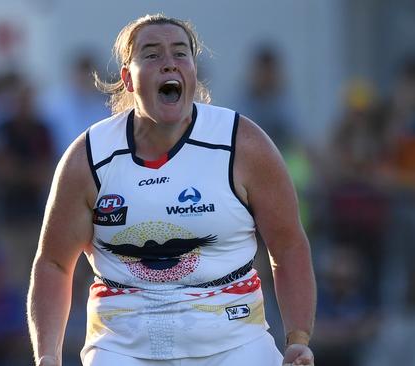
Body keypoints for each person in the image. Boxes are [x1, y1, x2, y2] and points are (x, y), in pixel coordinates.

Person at [27, 14, 316, 366]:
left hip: (236, 346)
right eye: (151, 54)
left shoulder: (243, 144)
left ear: (194, 72)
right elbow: (55, 263)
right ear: (127, 79)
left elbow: (288, 247)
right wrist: (47, 356)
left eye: (180, 53)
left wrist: (298, 338)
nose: (169, 63)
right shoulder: (88, 156)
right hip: (122, 349)